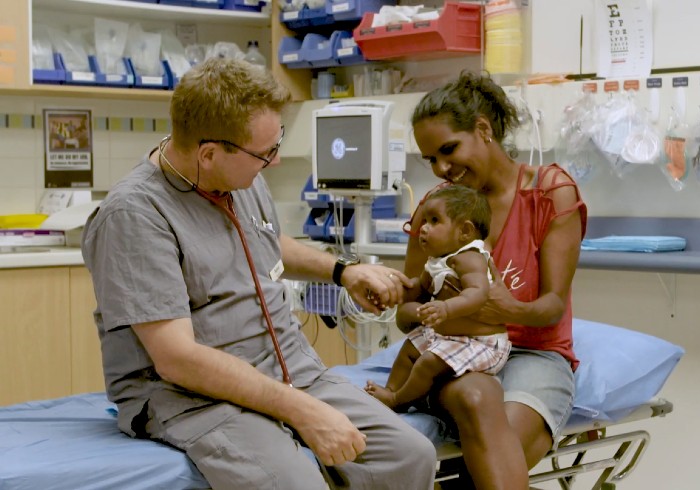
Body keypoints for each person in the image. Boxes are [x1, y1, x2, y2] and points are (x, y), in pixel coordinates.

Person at [81, 58, 436, 490]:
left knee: (410, 455)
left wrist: (343, 271)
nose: (275, 160)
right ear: (208, 153)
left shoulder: (238, 177)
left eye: (276, 144)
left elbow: (262, 240)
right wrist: (300, 410)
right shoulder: (134, 215)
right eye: (265, 153)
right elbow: (177, 360)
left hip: (286, 368)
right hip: (194, 396)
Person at [398, 71, 588, 489]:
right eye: (431, 159)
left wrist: (508, 310)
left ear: (483, 129)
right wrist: (423, 309)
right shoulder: (435, 210)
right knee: (474, 398)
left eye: (449, 150)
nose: (443, 169)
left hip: (534, 353)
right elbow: (406, 312)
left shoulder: (550, 193)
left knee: (486, 465)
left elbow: (553, 305)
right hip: (456, 350)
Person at [365, 185, 511, 411]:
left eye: (434, 221)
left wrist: (446, 308)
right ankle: (391, 391)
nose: (423, 228)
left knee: (428, 362)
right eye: (424, 221)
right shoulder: (438, 260)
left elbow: (478, 293)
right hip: (452, 338)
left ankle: (398, 400)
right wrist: (396, 287)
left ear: (465, 231)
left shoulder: (469, 258)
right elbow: (420, 287)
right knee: (410, 348)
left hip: (483, 345)